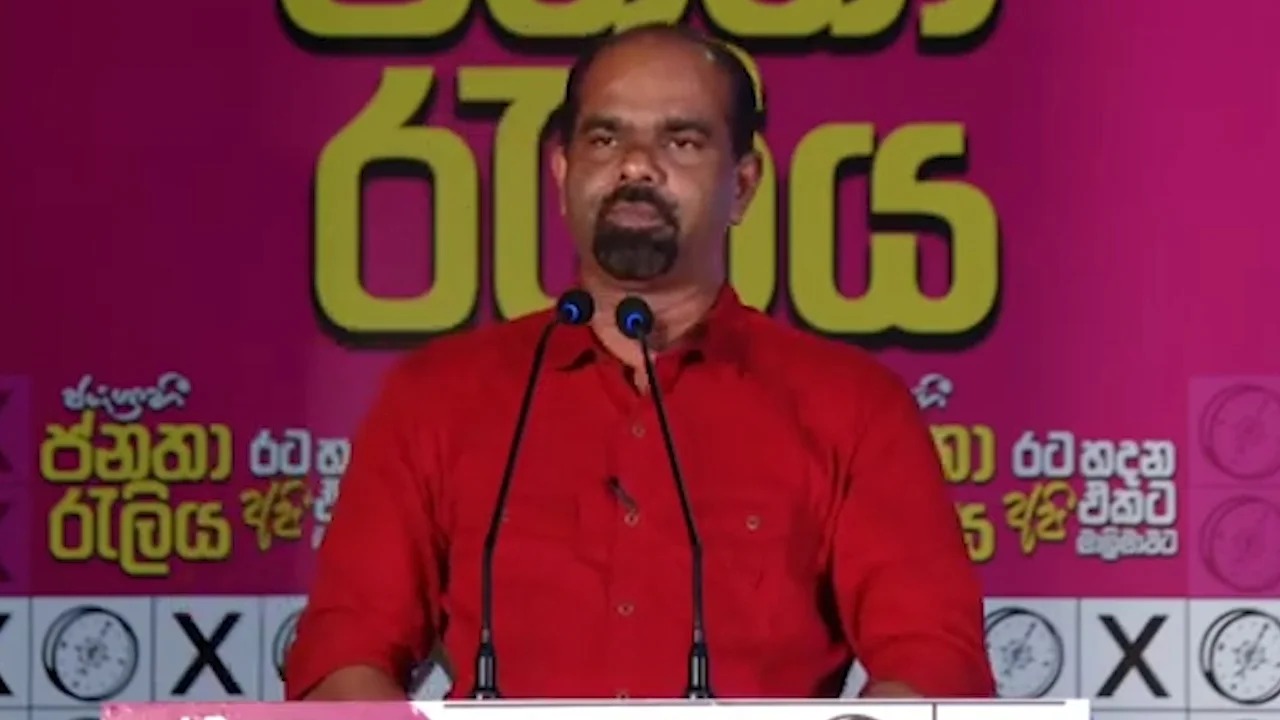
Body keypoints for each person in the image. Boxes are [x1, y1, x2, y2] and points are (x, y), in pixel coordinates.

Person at [285, 23, 995, 701]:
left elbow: (935, 666)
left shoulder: (851, 407)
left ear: (743, 184)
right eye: (605, 137)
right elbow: (341, 662)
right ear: (563, 172)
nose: (635, 165)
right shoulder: (438, 397)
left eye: (681, 141)